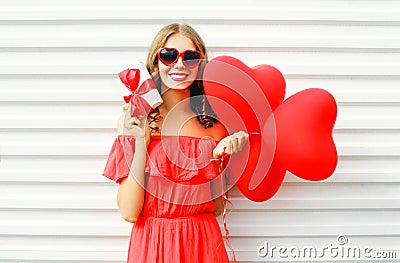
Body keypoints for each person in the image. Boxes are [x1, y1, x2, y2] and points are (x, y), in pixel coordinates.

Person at [103, 23, 249, 263]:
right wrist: (141, 142)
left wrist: (223, 155)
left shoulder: (214, 127)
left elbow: (216, 207)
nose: (180, 64)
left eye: (191, 57)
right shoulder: (133, 120)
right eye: (169, 55)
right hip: (153, 244)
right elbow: (129, 212)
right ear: (155, 62)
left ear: (200, 65)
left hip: (202, 242)